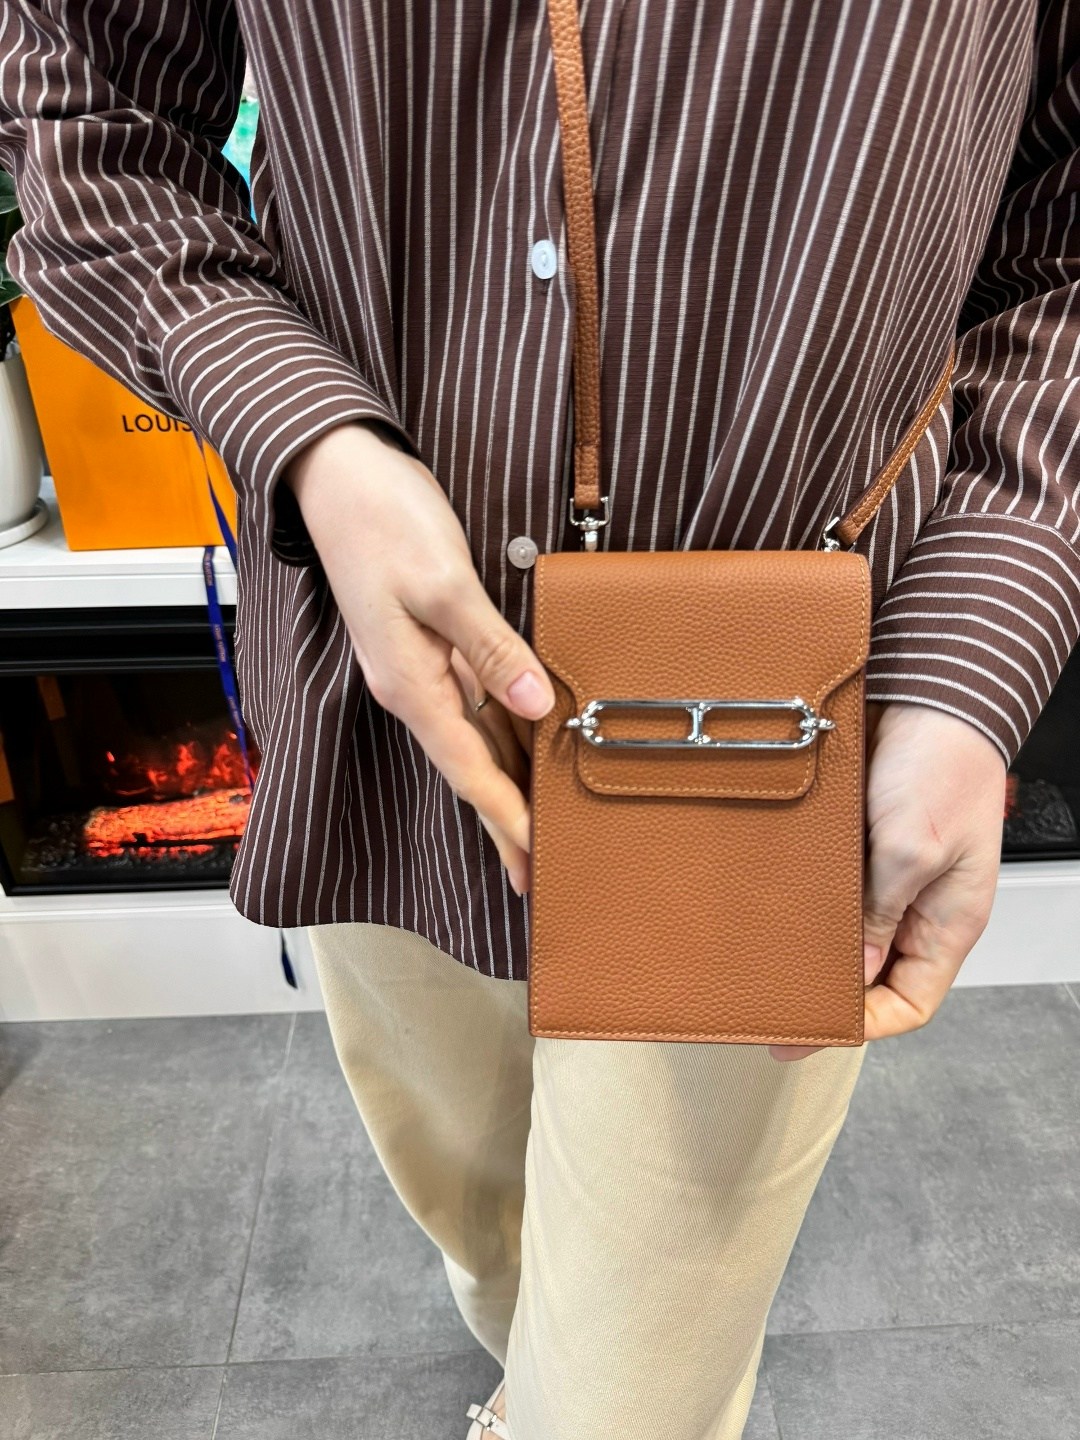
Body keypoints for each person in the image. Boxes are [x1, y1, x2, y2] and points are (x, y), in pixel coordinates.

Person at [2, 3, 1078, 1436]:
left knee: (624, 1404)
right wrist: (313, 439)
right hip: (386, 703)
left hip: (765, 741)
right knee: (480, 1227)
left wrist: (967, 659)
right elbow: (97, 125)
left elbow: (1063, 243)